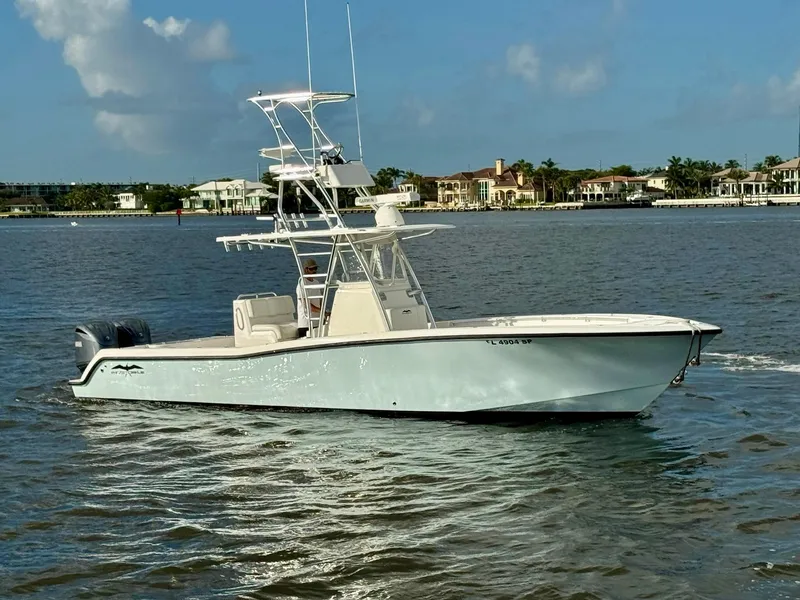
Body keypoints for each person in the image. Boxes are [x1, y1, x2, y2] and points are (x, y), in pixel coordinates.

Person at [296, 258, 329, 337]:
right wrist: (322, 312)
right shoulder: (302, 284)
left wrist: (324, 313)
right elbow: (307, 305)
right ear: (306, 269)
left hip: (317, 322)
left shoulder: (316, 282)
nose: (314, 271)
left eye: (315, 268)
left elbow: (320, 300)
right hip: (306, 324)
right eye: (312, 269)